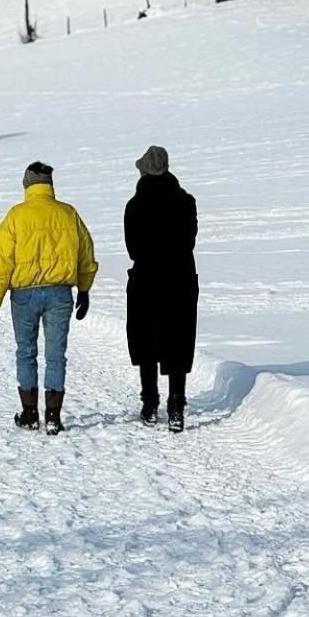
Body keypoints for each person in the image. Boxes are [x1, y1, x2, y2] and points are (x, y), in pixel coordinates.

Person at [0, 161, 98, 435]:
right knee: (56, 354)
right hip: (60, 293)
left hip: (23, 294)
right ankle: (53, 417)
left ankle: (29, 413)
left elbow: (2, 260)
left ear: (26, 184)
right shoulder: (68, 214)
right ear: (50, 185)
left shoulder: (16, 216)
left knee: (26, 352)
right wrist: (84, 289)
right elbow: (86, 254)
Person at [125, 145, 198, 432]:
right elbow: (190, 240)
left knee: (147, 343)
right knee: (177, 341)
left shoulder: (134, 205)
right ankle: (177, 405)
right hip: (180, 278)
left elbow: (132, 247)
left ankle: (150, 403)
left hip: (146, 278)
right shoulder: (186, 201)